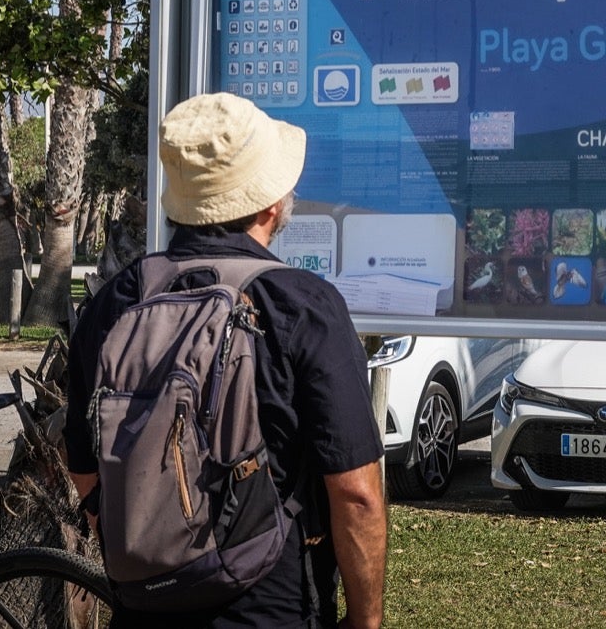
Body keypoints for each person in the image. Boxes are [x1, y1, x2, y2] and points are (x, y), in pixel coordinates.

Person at [65, 92, 387, 628]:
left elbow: (84, 467)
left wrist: (154, 545)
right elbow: (355, 492)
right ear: (269, 204)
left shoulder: (115, 301)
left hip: (144, 605)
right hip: (269, 605)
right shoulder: (303, 305)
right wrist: (366, 620)